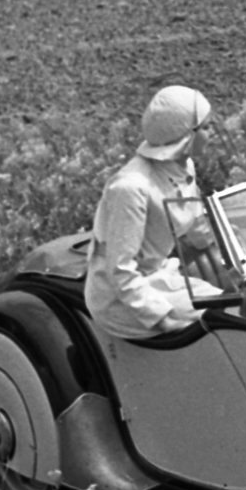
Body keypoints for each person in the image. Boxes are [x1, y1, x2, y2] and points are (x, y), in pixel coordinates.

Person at [84, 85, 221, 340]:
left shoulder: (182, 166)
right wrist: (161, 320)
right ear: (185, 136)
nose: (212, 134)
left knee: (230, 306)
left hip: (158, 276)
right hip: (121, 300)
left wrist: (228, 241)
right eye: (206, 127)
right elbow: (121, 269)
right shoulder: (131, 188)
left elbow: (195, 224)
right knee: (223, 318)